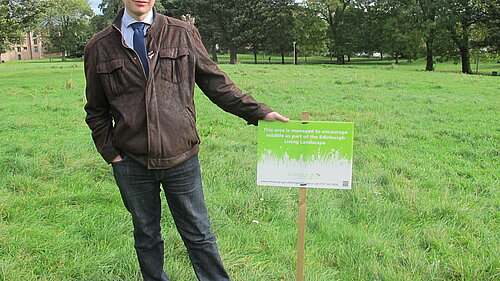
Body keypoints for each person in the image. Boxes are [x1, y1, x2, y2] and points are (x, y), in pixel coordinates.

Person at [83, 0, 288, 280]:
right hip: (131, 161)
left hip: (182, 156)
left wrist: (259, 112)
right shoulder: (99, 45)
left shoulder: (182, 32)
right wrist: (113, 155)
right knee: (146, 234)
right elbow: (96, 109)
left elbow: (217, 83)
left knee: (199, 233)